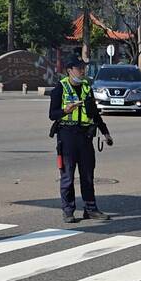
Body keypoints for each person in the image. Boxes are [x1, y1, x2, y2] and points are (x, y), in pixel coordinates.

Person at [49, 58, 114, 223]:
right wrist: (65, 110)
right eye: (79, 69)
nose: (83, 71)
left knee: (87, 176)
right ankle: (68, 210)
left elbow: (95, 114)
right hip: (67, 136)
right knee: (68, 176)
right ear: (70, 70)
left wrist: (105, 133)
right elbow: (52, 114)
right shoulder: (60, 88)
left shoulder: (87, 88)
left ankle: (90, 209)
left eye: (84, 68)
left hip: (85, 137)